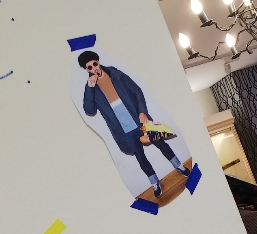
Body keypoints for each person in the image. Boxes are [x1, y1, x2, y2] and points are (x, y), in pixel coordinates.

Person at [78, 50, 190, 198]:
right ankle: (154, 182)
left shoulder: (115, 73)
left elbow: (136, 90)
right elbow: (89, 110)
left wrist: (142, 111)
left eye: (94, 64)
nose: (94, 68)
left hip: (139, 119)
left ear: (98, 62)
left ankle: (178, 165)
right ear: (86, 70)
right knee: (141, 158)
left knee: (161, 143)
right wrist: (89, 88)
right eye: (89, 67)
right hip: (124, 130)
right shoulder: (91, 88)